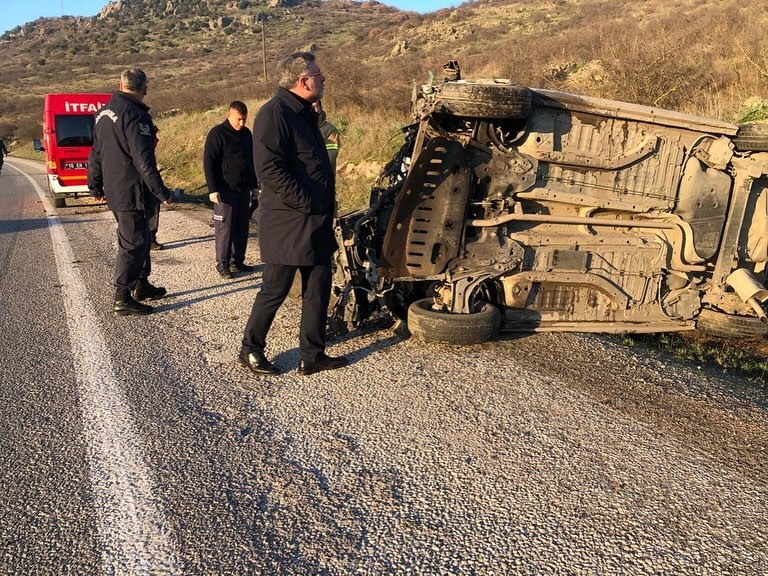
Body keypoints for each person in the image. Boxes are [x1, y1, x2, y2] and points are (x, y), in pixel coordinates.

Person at [238, 52, 348, 377]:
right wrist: (308, 202)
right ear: (303, 81)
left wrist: (320, 207)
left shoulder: (305, 113)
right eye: (318, 74)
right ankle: (250, 349)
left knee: (318, 289)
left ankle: (312, 355)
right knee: (275, 290)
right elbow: (270, 170)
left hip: (315, 221)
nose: (323, 78)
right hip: (288, 222)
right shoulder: (275, 113)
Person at [87, 67, 172, 316]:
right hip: (131, 191)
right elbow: (144, 161)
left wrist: (95, 185)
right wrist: (162, 192)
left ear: (120, 84)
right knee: (133, 243)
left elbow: (96, 153)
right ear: (145, 88)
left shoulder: (102, 113)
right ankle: (122, 296)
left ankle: (141, 284)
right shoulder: (135, 115)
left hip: (115, 189)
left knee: (142, 237)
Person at [203, 101, 258, 279]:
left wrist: (254, 186)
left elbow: (251, 162)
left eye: (244, 120)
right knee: (225, 229)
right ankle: (223, 264)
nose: (241, 123)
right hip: (224, 191)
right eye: (238, 119)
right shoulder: (217, 133)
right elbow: (209, 163)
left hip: (243, 189)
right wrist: (212, 189)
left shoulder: (247, 134)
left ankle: (237, 261)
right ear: (229, 115)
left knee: (242, 227)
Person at [312, 99, 340, 172]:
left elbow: (330, 158)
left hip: (322, 175)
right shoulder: (297, 128)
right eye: (311, 107)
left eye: (317, 106)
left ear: (320, 108)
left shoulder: (330, 130)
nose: (315, 110)